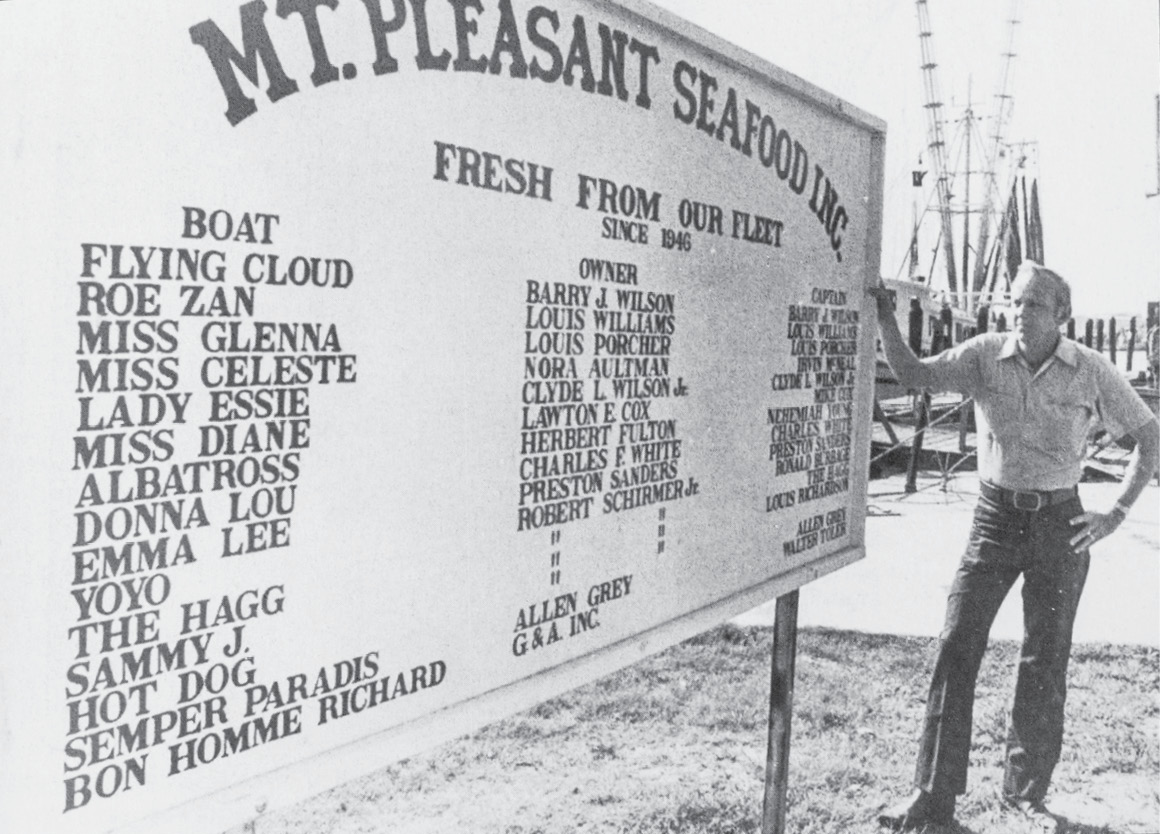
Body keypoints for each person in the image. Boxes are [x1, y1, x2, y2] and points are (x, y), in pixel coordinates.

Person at [869, 263, 1159, 833]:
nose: (1018, 314)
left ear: (1061, 316)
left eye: (1033, 306)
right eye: (1016, 302)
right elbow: (912, 374)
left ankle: (1026, 794)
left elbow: (1149, 437)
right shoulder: (983, 354)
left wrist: (1117, 511)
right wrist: (884, 313)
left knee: (1044, 657)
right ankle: (933, 796)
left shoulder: (1091, 370)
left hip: (1061, 524)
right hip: (994, 519)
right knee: (957, 642)